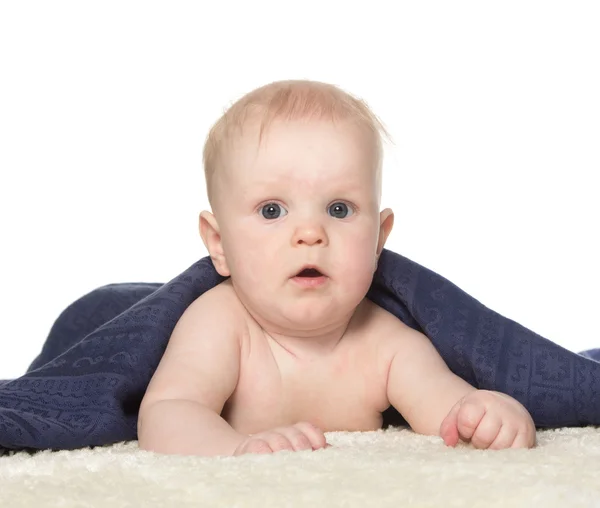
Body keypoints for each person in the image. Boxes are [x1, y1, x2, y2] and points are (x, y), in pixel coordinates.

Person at [137, 79, 536, 457]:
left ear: (378, 240)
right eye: (272, 210)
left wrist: (487, 413)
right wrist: (235, 450)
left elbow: (449, 409)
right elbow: (168, 410)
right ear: (219, 245)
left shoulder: (387, 345)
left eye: (339, 209)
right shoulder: (219, 323)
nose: (310, 233)